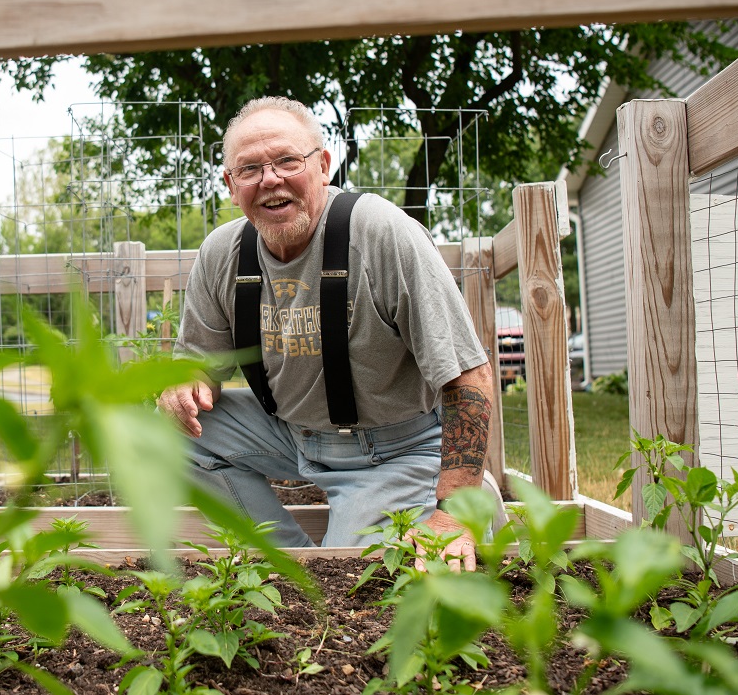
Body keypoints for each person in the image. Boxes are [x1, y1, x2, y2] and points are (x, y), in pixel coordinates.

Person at [157, 96, 496, 571]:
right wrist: (183, 385)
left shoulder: (379, 233)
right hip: (293, 436)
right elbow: (197, 368)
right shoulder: (222, 254)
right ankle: (284, 563)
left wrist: (455, 513)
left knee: (351, 578)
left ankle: (460, 503)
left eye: (287, 161)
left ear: (322, 166)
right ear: (231, 186)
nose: (270, 179)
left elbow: (469, 378)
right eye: (250, 169)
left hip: (396, 450)